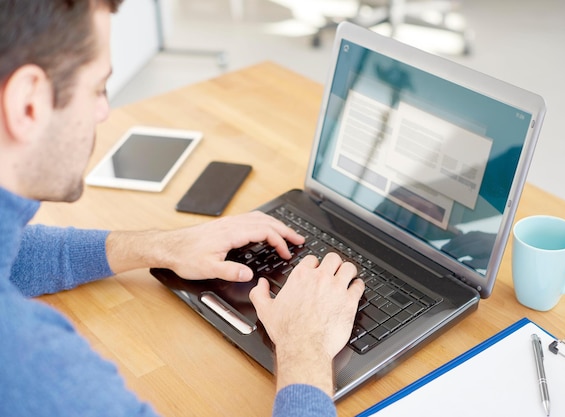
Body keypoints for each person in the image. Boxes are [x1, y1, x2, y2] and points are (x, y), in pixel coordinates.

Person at [0, 1, 365, 416]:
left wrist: (160, 245)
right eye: (98, 88)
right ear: (27, 102)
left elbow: (11, 255)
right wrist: (305, 348)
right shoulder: (32, 367)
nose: (103, 112)